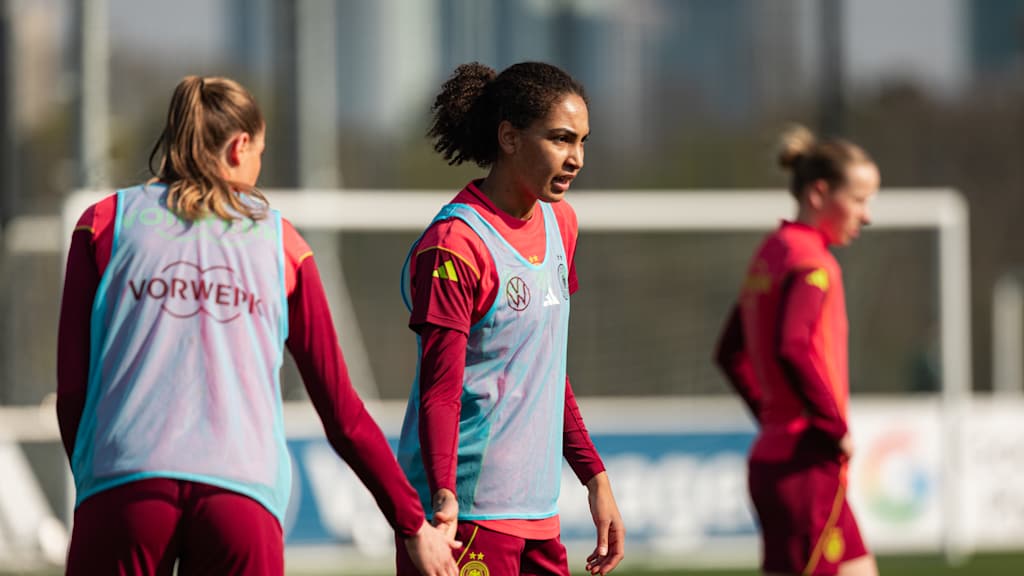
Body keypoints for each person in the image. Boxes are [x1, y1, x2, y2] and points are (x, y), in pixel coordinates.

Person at [56, 75, 459, 576]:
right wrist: (412, 524)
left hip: (124, 485)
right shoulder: (284, 244)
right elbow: (342, 413)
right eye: (260, 152)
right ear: (239, 146)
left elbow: (73, 390)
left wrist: (97, 481)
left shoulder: (103, 222)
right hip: (242, 495)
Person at [395, 62, 625, 576]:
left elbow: (544, 368)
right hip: (467, 516)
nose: (577, 158)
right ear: (509, 138)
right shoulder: (455, 245)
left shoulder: (561, 223)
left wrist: (595, 478)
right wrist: (443, 498)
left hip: (540, 516)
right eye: (561, 139)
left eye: (583, 141)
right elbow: (441, 390)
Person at [714, 125, 881, 576]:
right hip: (804, 464)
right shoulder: (812, 262)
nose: (866, 215)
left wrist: (772, 416)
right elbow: (793, 345)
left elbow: (729, 352)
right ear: (820, 193)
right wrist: (833, 426)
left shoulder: (771, 252)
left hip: (780, 456)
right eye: (860, 199)